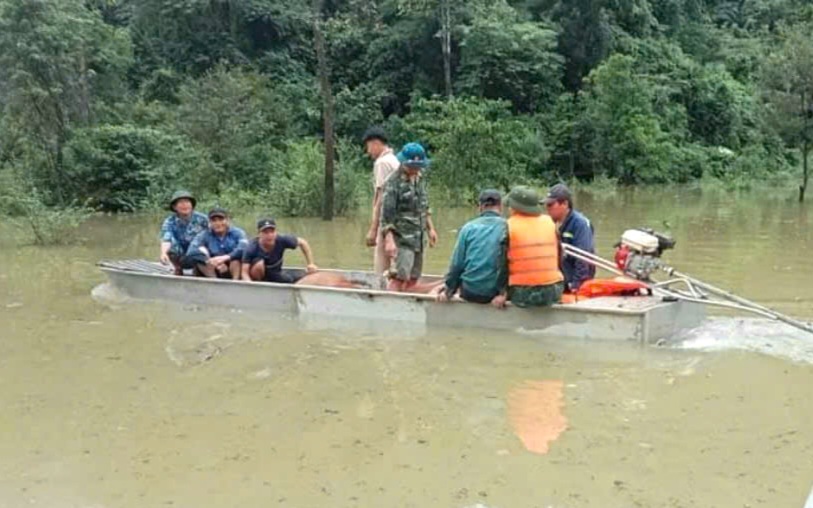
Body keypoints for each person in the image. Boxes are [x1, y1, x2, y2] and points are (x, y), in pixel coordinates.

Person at [493, 186, 564, 308]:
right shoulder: (550, 222)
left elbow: (502, 264)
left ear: (514, 208)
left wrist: (502, 293)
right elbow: (559, 257)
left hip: (523, 294)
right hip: (553, 292)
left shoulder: (508, 226)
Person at [381, 142, 439, 291]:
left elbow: (424, 206)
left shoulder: (419, 179)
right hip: (402, 239)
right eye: (413, 166)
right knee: (400, 277)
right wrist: (389, 240)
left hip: (418, 238)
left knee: (414, 277)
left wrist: (431, 229)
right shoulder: (393, 182)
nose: (416, 169)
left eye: (419, 166)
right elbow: (387, 215)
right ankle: (390, 305)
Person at [436, 189, 507, 306]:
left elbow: (457, 264)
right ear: (500, 206)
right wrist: (505, 293)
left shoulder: (468, 228)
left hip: (471, 292)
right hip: (497, 293)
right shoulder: (508, 227)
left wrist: (449, 290)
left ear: (480, 207)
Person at [543, 183, 596, 292]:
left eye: (550, 205)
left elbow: (583, 258)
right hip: (561, 278)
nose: (547, 209)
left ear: (565, 204)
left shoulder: (580, 224)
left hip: (575, 281)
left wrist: (576, 285)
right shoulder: (553, 224)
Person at [362, 126, 400, 275]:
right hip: (398, 220)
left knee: (381, 267)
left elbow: (380, 198)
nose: (368, 151)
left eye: (368, 146)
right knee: (395, 263)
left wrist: (373, 229)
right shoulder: (394, 160)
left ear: (375, 143)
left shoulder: (382, 163)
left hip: (386, 221)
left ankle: (382, 294)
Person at [241, 218, 318, 283]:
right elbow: (244, 272)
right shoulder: (251, 247)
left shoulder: (282, 239)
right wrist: (250, 285)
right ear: (259, 234)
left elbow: (303, 243)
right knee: (259, 264)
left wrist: (310, 263)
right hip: (257, 275)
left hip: (275, 272)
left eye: (272, 231)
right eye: (265, 232)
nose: (269, 235)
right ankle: (261, 283)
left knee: (292, 279)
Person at [185, 207, 248, 279]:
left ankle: (235, 284)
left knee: (236, 261)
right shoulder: (204, 235)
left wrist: (225, 258)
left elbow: (244, 247)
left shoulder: (238, 233)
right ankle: (214, 282)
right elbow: (191, 251)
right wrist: (208, 260)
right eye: (214, 220)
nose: (218, 223)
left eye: (221, 220)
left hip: (232, 265)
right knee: (201, 254)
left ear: (227, 220)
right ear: (210, 223)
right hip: (213, 267)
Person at [159, 190, 209, 275]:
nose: (185, 205)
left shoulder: (203, 219)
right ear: (175, 207)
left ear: (192, 205)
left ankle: (198, 269)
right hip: (180, 253)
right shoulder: (170, 221)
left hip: (198, 252)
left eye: (187, 202)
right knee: (171, 244)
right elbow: (166, 238)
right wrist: (163, 253)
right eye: (181, 203)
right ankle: (178, 268)